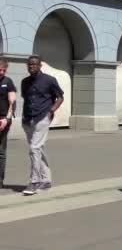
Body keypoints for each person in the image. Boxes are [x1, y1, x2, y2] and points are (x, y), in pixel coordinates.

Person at [21, 55, 64, 195]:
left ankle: (35, 181)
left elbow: (60, 97)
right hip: (28, 119)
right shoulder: (25, 82)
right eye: (29, 64)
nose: (31, 66)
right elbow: (26, 99)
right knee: (38, 149)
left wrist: (52, 110)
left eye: (34, 64)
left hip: (43, 116)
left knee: (34, 148)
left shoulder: (49, 80)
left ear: (40, 66)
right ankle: (46, 179)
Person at [0, 59, 16, 189]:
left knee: (1, 150)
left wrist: (7, 118)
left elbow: (13, 102)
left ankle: (0, 180)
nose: (1, 72)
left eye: (4, 70)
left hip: (3, 119)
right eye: (0, 69)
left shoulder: (8, 82)